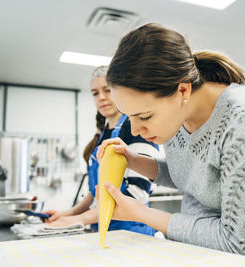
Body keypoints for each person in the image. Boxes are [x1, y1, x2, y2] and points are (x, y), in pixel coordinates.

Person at [96, 23, 245, 266]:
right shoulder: (177, 116)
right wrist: (134, 160)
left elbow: (239, 243)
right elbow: (197, 176)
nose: (135, 131)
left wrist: (140, 213)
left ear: (182, 90)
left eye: (144, 117)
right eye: (128, 116)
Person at [43, 66, 159, 236]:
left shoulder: (135, 129)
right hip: (102, 229)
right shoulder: (102, 134)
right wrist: (68, 214)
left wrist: (81, 219)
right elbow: (95, 193)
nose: (102, 98)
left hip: (132, 232)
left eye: (108, 90)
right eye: (95, 93)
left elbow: (136, 196)